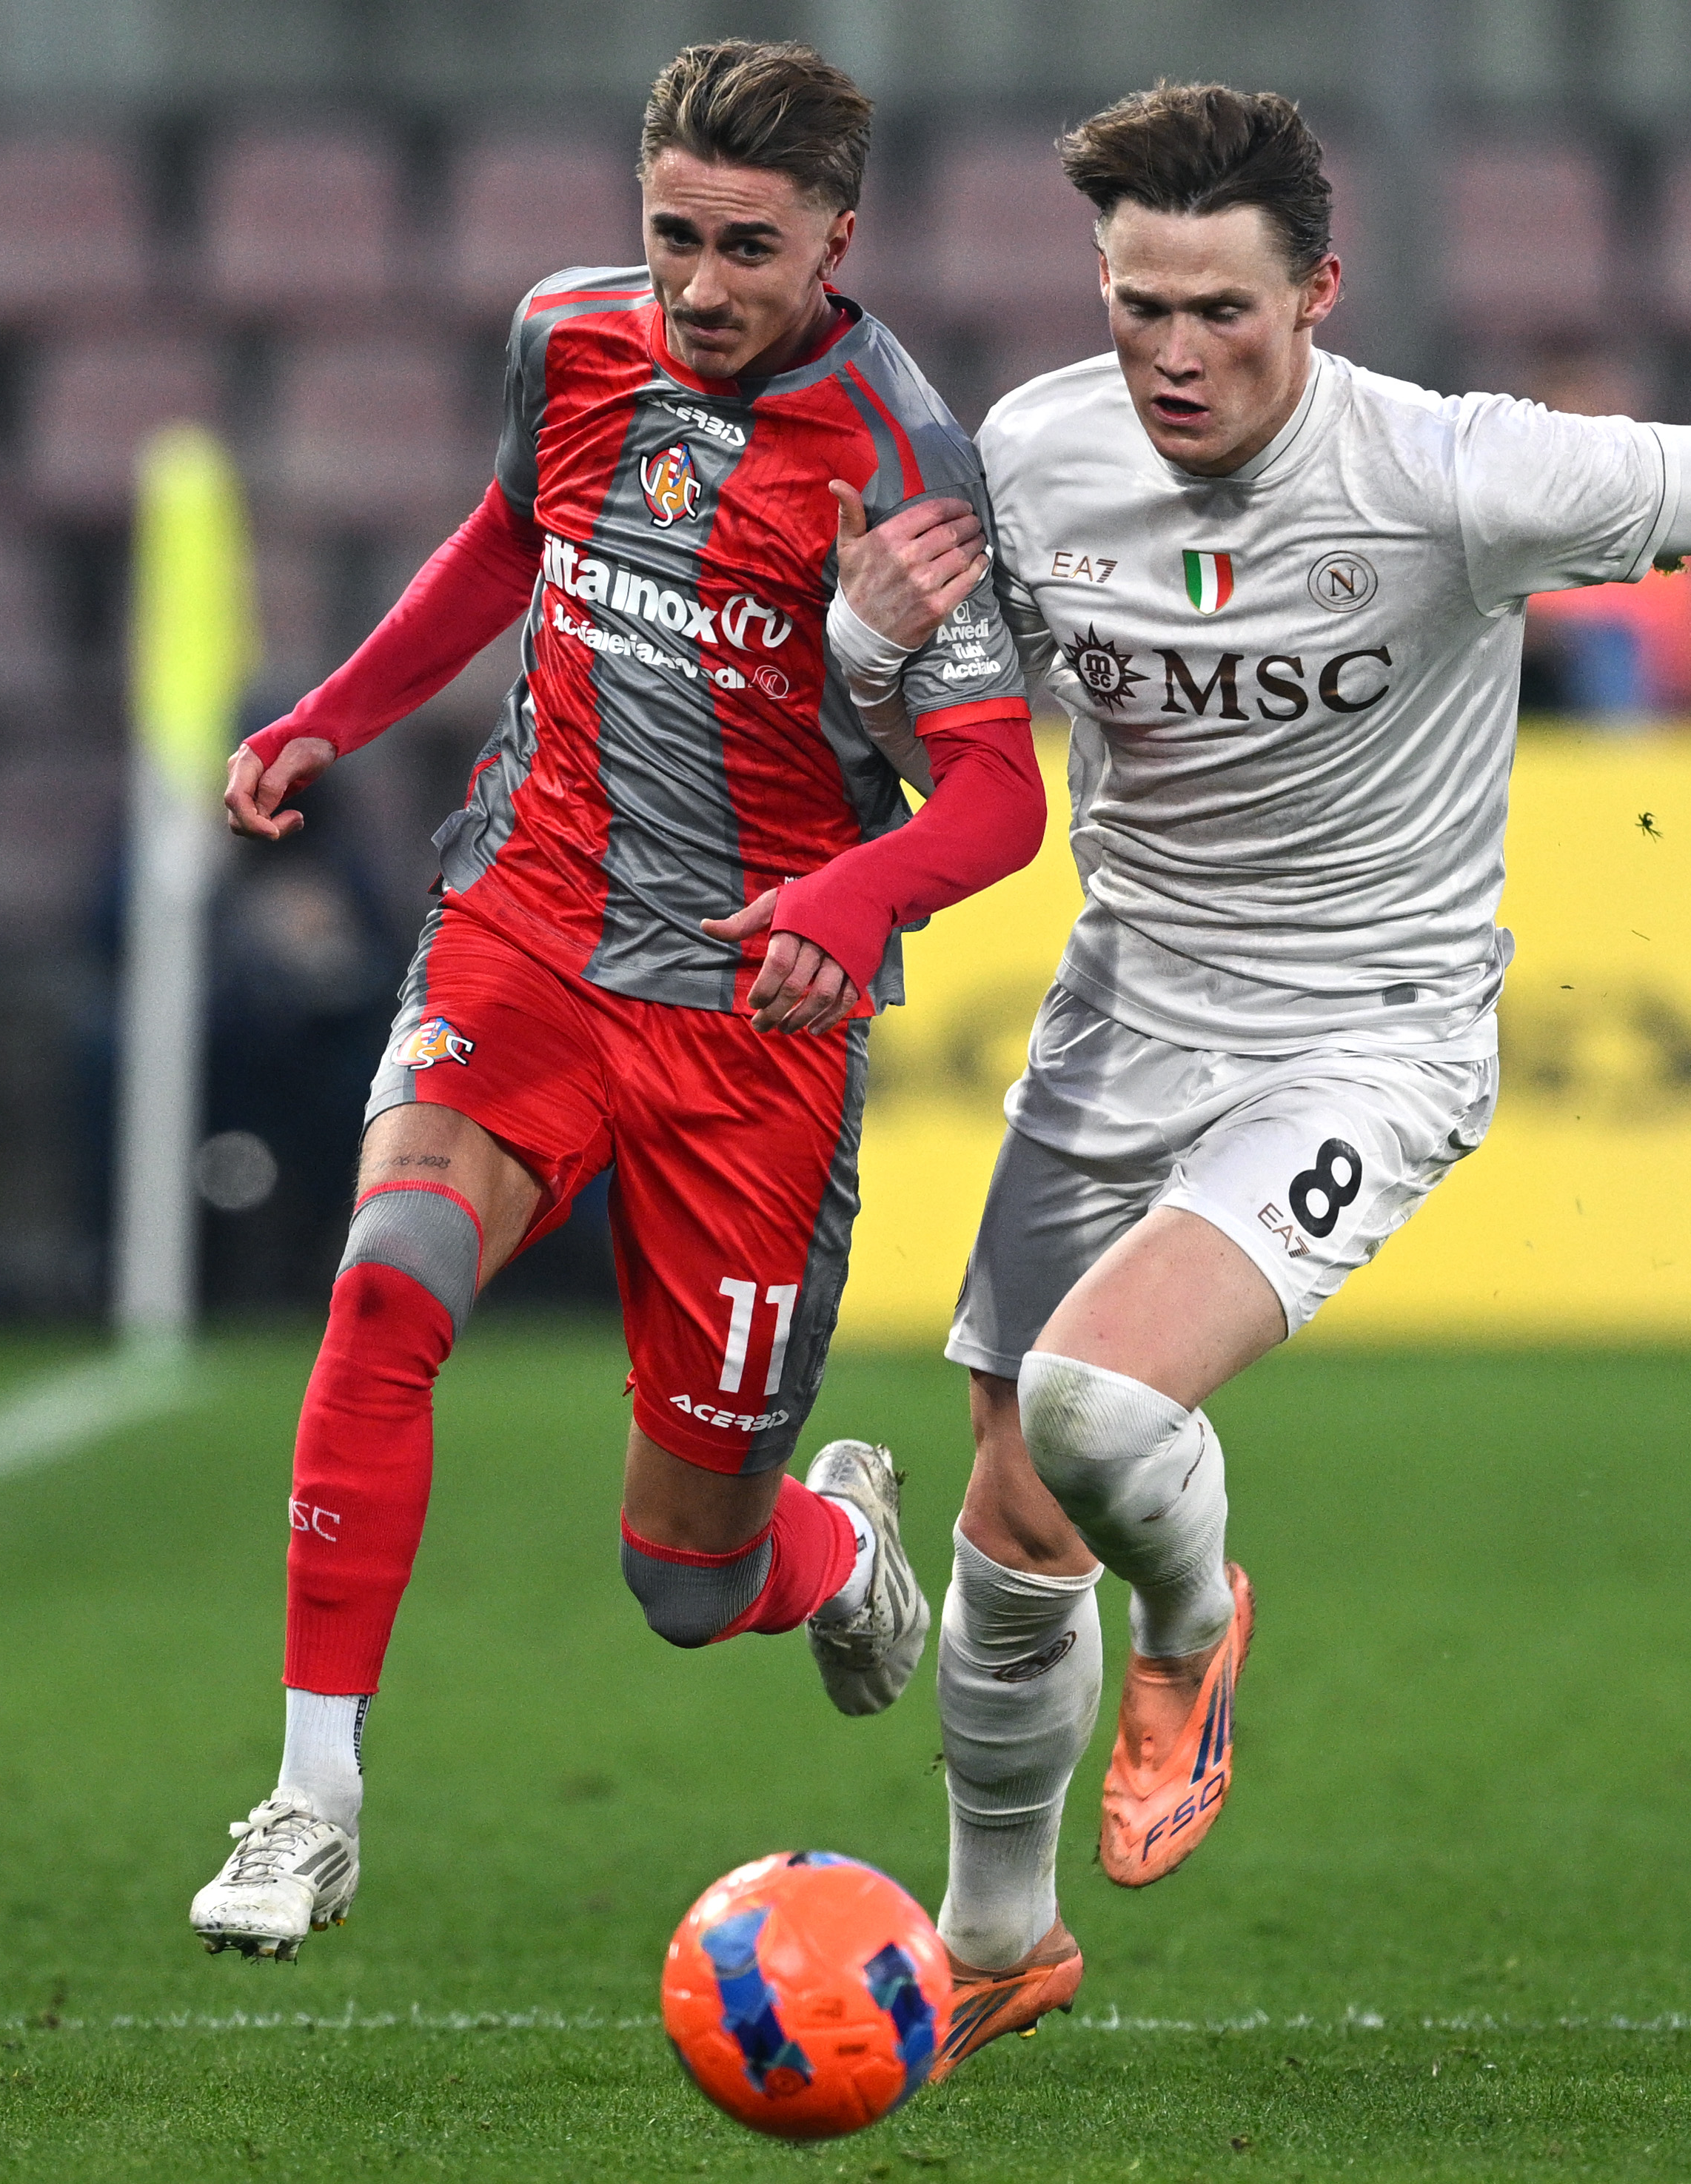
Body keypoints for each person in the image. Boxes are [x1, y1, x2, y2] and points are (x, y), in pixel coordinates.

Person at [823, 81, 1691, 2075]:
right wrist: (862, 647)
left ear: (1321, 295)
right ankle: (997, 1935)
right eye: (1136, 306)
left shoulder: (1453, 473)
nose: (1172, 353)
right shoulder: (1035, 451)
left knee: (1098, 1405)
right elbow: (964, 727)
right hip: (1121, 1015)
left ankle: (1197, 1627)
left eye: (1221, 315)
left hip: (1372, 1034)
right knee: (1012, 1511)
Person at [186, 38, 1044, 1960]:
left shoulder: (907, 464)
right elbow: (512, 538)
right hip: (533, 916)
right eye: (673, 235)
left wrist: (851, 881)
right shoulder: (570, 341)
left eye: (749, 246)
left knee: (684, 1574)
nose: (701, 285)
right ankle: (310, 1797)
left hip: (751, 1023)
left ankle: (829, 1542)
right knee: (388, 1279)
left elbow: (1000, 789)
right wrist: (336, 711)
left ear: (841, 234)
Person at [1511, 351, 1691, 720]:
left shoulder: (1653, 510)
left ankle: (1619, 764)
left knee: (1607, 647)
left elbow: (1668, 629)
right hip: (1534, 674)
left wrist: (1550, 621)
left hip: (1634, 688)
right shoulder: (1511, 508)